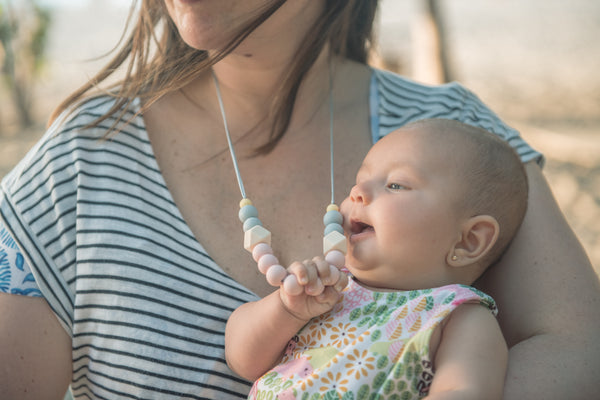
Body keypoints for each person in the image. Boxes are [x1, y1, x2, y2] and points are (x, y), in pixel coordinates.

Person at [0, 1, 597, 399]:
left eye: (393, 185)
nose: (363, 192)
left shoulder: (457, 138)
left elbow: (578, 349)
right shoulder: (76, 165)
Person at [225, 118, 526, 399]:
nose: (357, 192)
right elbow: (242, 360)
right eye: (359, 180)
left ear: (468, 240)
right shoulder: (327, 288)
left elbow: (464, 391)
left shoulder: (458, 316)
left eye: (395, 185)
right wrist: (287, 309)